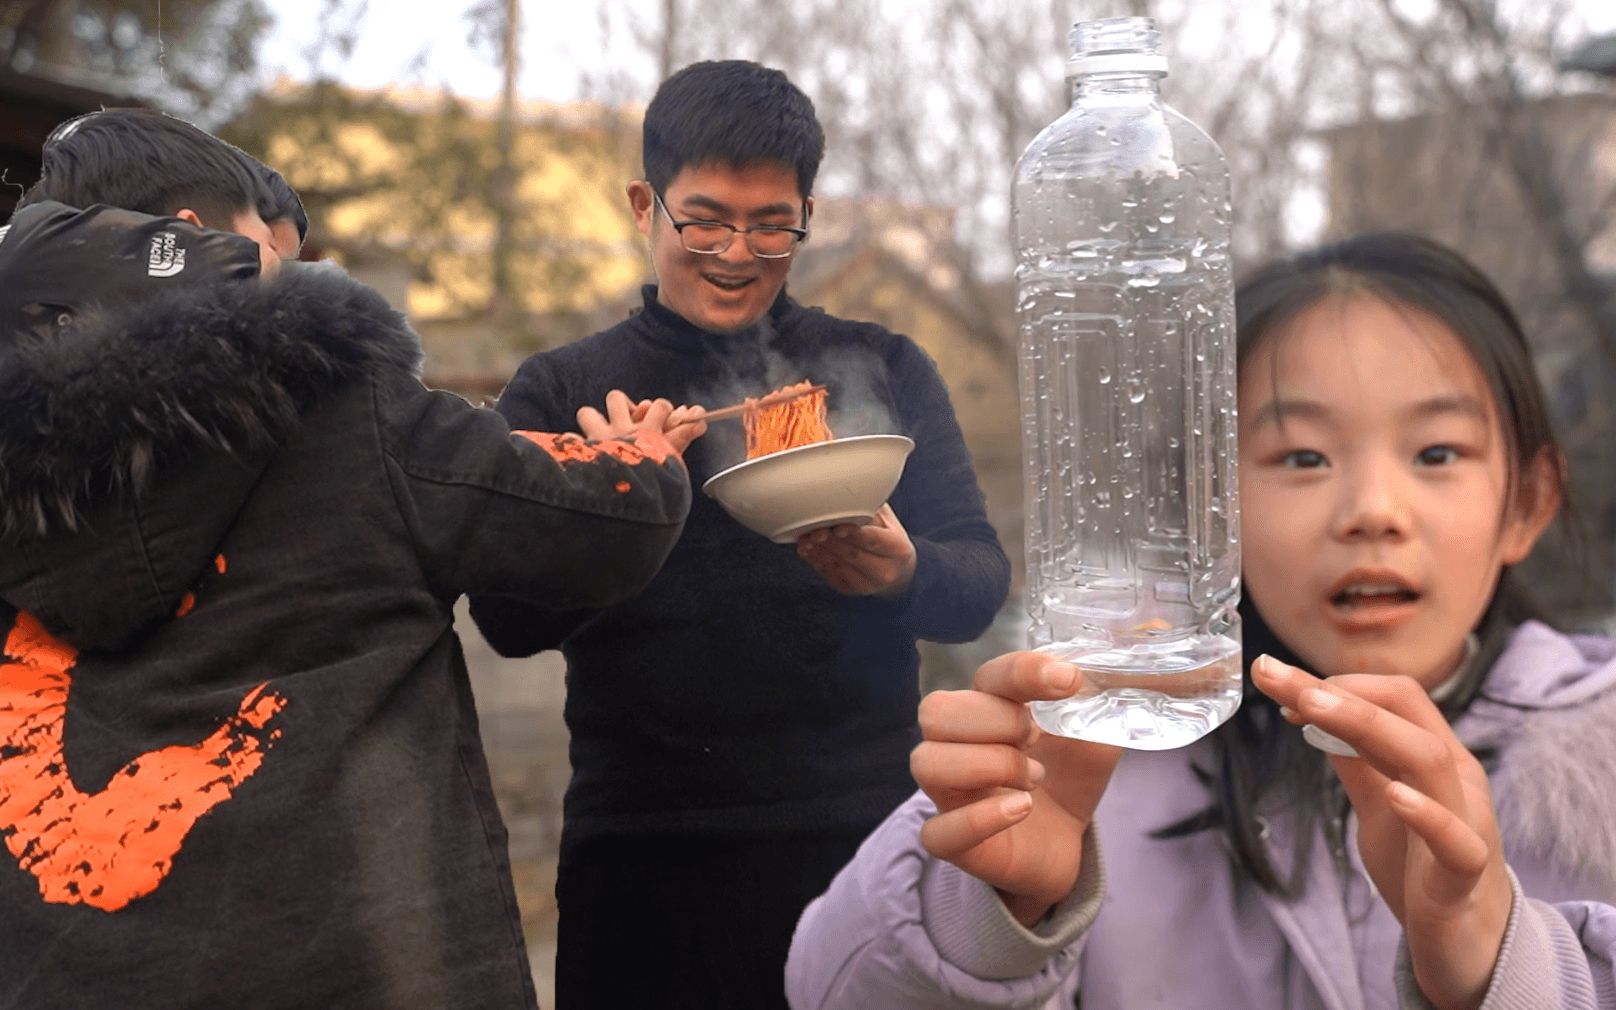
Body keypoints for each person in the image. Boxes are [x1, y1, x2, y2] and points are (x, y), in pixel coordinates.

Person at [787, 233, 1616, 1010]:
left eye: (1436, 453)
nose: (1373, 511)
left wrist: (1499, 960)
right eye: (1302, 458)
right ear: (1208, 511)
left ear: (1530, 502)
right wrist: (987, 905)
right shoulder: (1095, 770)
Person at [0, 108, 705, 1009]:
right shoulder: (338, 399)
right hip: (366, 965)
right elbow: (593, 522)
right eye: (278, 254)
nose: (299, 279)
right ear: (191, 243)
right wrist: (640, 461)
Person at [469, 60, 1011, 1008]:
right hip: (644, 855)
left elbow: (977, 585)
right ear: (646, 204)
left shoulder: (884, 366)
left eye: (773, 224)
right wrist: (612, 505)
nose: (738, 252)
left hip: (864, 838)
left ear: (807, 211)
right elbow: (508, 619)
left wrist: (902, 572)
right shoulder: (562, 390)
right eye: (707, 219)